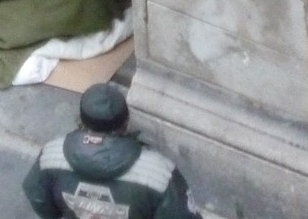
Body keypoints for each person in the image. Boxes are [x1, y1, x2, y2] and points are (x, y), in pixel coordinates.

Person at [23, 83, 202, 219]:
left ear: (81, 121)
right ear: (125, 122)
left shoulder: (51, 156)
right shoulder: (158, 173)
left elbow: (38, 197)